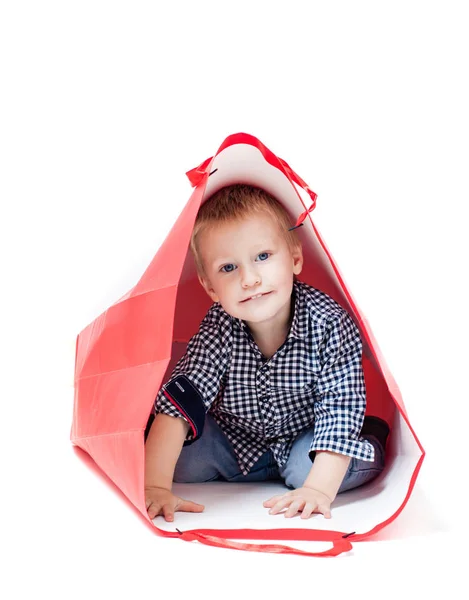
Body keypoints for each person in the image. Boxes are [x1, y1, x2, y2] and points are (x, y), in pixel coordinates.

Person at [144, 184, 389, 522]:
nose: (250, 279)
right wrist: (155, 486)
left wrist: (317, 491)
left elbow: (338, 409)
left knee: (313, 472)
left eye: (262, 257)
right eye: (228, 268)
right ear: (210, 287)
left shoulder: (328, 322)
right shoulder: (218, 327)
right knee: (182, 461)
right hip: (238, 440)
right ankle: (260, 473)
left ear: (295, 258)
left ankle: (368, 437)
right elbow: (183, 400)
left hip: (306, 436)